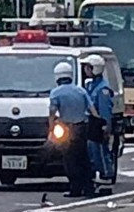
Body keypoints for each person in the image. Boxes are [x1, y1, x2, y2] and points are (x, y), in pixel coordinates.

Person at [50, 61, 97, 198]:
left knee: (70, 160)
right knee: (83, 158)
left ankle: (75, 188)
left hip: (67, 129)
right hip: (82, 127)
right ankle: (89, 187)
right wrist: (99, 123)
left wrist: (51, 130)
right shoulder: (81, 90)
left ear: (57, 77)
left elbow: (52, 113)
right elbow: (92, 109)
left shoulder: (55, 93)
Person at [83, 54, 116, 182]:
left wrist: (106, 127)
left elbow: (105, 111)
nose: (86, 70)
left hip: (99, 123)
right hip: (92, 122)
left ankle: (106, 174)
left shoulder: (103, 89)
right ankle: (100, 172)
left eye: (88, 67)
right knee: (93, 149)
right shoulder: (91, 85)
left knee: (101, 149)